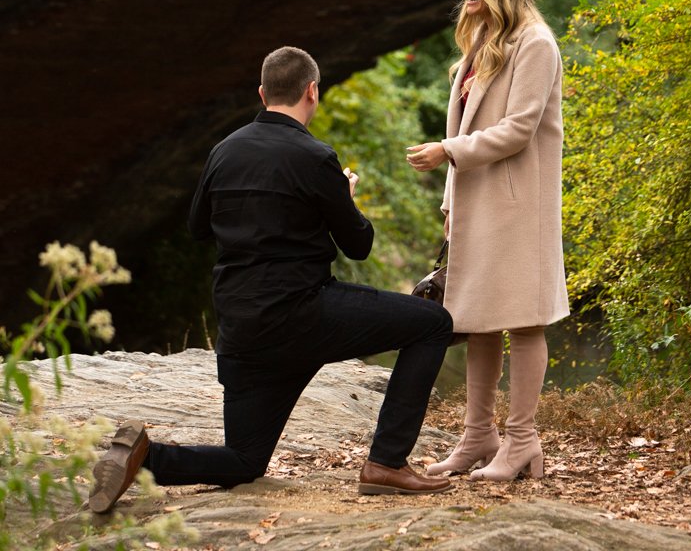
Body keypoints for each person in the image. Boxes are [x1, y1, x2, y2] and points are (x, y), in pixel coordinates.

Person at [89, 46, 454, 511]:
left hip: (243, 330)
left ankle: (145, 460)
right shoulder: (316, 157)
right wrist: (343, 196)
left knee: (244, 461)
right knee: (432, 323)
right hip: (306, 316)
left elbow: (198, 228)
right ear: (312, 92)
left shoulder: (224, 151)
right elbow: (358, 244)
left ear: (262, 94)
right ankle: (386, 463)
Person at [407, 0, 569, 482]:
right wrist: (450, 202)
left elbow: (518, 130)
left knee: (523, 321)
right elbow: (466, 125)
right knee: (475, 321)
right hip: (477, 206)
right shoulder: (480, 42)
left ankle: (522, 440)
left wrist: (447, 152)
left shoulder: (536, 43)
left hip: (519, 207)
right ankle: (479, 436)